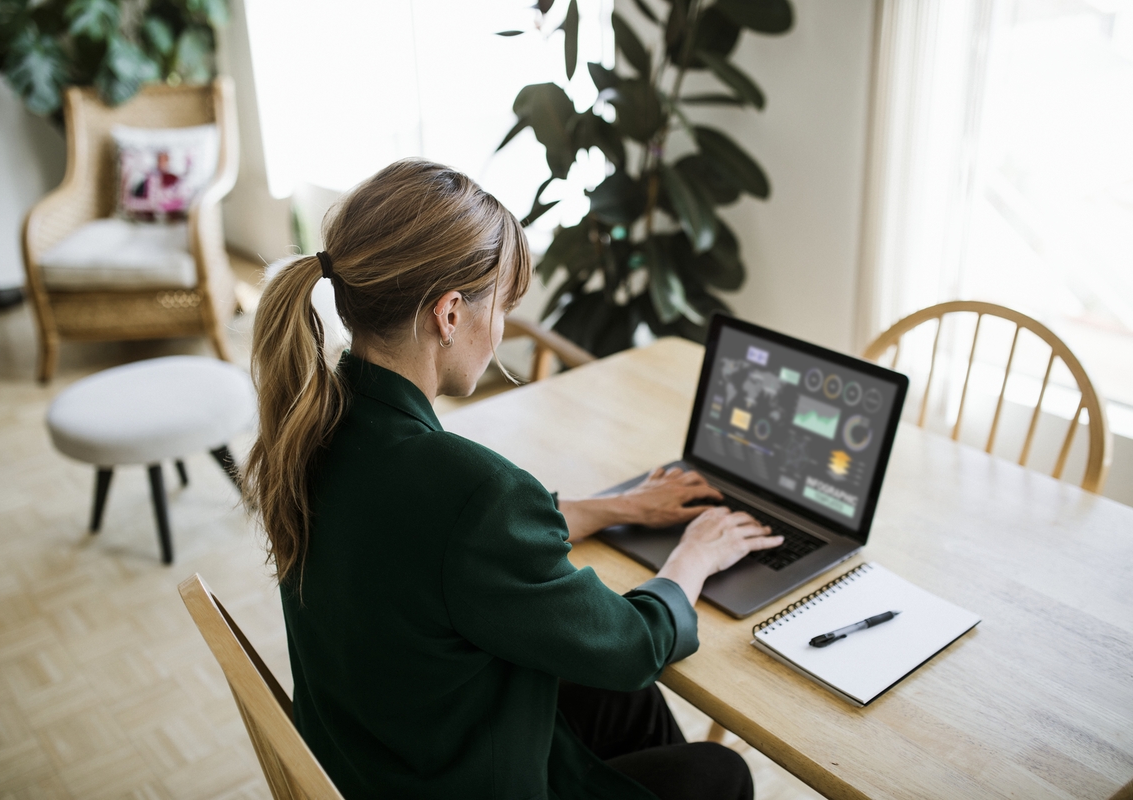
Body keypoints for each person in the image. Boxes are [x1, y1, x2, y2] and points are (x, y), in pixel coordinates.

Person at [244, 159, 784, 800]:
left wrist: (617, 507)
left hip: (381, 757)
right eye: (499, 306)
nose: (499, 331)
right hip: (455, 780)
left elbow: (446, 543)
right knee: (719, 774)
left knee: (612, 697)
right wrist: (693, 558)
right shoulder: (471, 491)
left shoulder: (318, 424)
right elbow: (633, 645)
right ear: (449, 315)